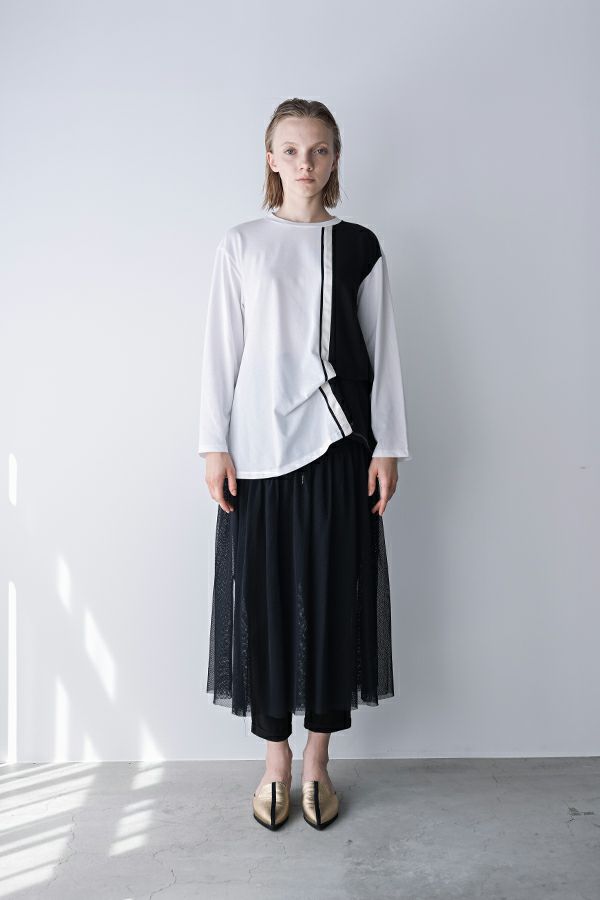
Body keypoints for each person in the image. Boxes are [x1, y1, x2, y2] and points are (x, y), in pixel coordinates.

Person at [198, 98, 411, 830]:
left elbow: (383, 351)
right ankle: (275, 761)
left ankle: (318, 759)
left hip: (341, 441)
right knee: (263, 599)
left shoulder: (358, 245)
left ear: (335, 159)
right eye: (290, 150)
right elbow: (221, 350)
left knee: (331, 595)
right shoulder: (242, 243)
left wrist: (388, 446)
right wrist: (213, 444)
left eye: (318, 150)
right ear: (270, 159)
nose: (305, 164)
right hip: (257, 448)